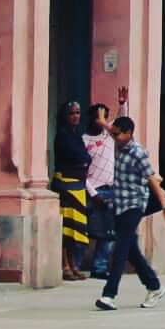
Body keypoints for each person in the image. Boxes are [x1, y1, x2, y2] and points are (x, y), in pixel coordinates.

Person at [94, 116, 165, 311]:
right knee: (131, 251)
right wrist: (104, 119)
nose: (114, 136)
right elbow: (111, 129)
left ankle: (109, 295)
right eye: (114, 133)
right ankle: (155, 286)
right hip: (119, 204)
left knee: (119, 250)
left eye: (118, 134)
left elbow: (152, 180)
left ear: (129, 134)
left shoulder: (139, 153)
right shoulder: (119, 142)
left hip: (134, 205)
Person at [54, 103, 92, 281]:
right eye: (71, 113)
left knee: (75, 231)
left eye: (78, 113)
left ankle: (74, 264)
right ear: (65, 115)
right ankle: (65, 266)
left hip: (78, 186)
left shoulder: (76, 135)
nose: (75, 116)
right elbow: (78, 156)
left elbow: (85, 157)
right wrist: (83, 158)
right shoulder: (62, 135)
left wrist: (84, 158)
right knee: (66, 229)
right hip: (66, 185)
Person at [84, 104, 117, 277]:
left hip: (111, 189)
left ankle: (100, 267)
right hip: (94, 190)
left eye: (104, 117)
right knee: (94, 231)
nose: (101, 121)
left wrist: (121, 104)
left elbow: (121, 123)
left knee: (109, 231)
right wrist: (93, 194)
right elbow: (81, 172)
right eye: (98, 117)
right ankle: (83, 264)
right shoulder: (83, 140)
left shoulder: (109, 135)